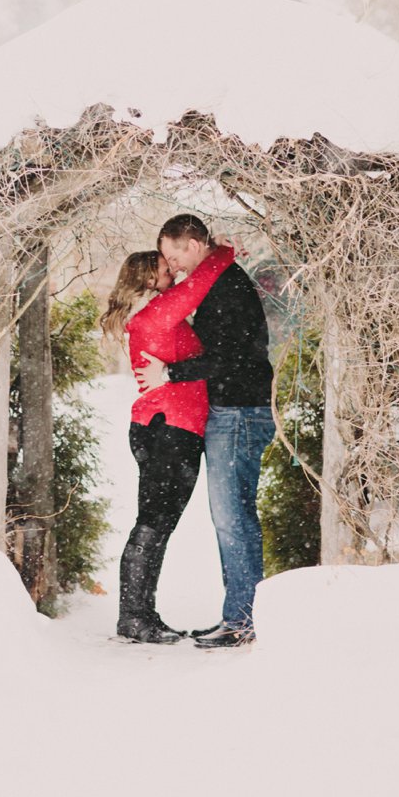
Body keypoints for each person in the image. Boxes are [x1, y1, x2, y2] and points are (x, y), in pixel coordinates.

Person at [136, 215, 274, 649]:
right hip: (233, 409)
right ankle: (240, 616)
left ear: (193, 244)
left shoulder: (227, 287)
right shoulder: (219, 281)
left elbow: (231, 357)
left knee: (233, 518)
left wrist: (171, 373)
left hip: (238, 412)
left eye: (174, 253)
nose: (172, 263)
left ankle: (242, 622)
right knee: (232, 517)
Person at [101, 241, 235, 644]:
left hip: (167, 429)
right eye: (164, 268)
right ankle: (134, 617)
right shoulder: (157, 313)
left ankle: (142, 614)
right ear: (147, 278)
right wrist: (224, 253)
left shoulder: (152, 316)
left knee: (157, 524)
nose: (172, 273)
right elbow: (200, 283)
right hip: (169, 430)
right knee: (154, 523)